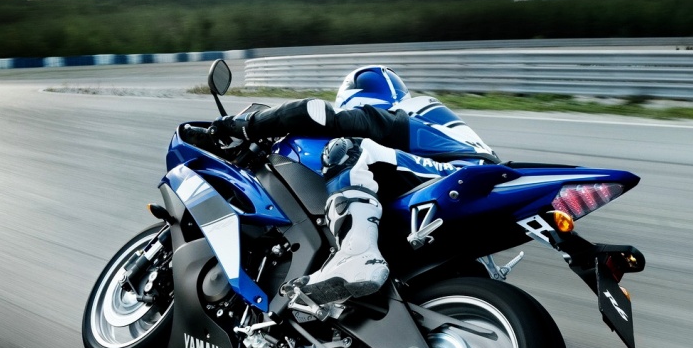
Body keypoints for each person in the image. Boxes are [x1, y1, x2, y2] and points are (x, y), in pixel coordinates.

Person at [211, 66, 496, 305]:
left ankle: (358, 253)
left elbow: (314, 112)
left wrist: (247, 124)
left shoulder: (402, 113)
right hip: (471, 189)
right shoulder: (433, 121)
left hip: (457, 176)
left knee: (347, 149)